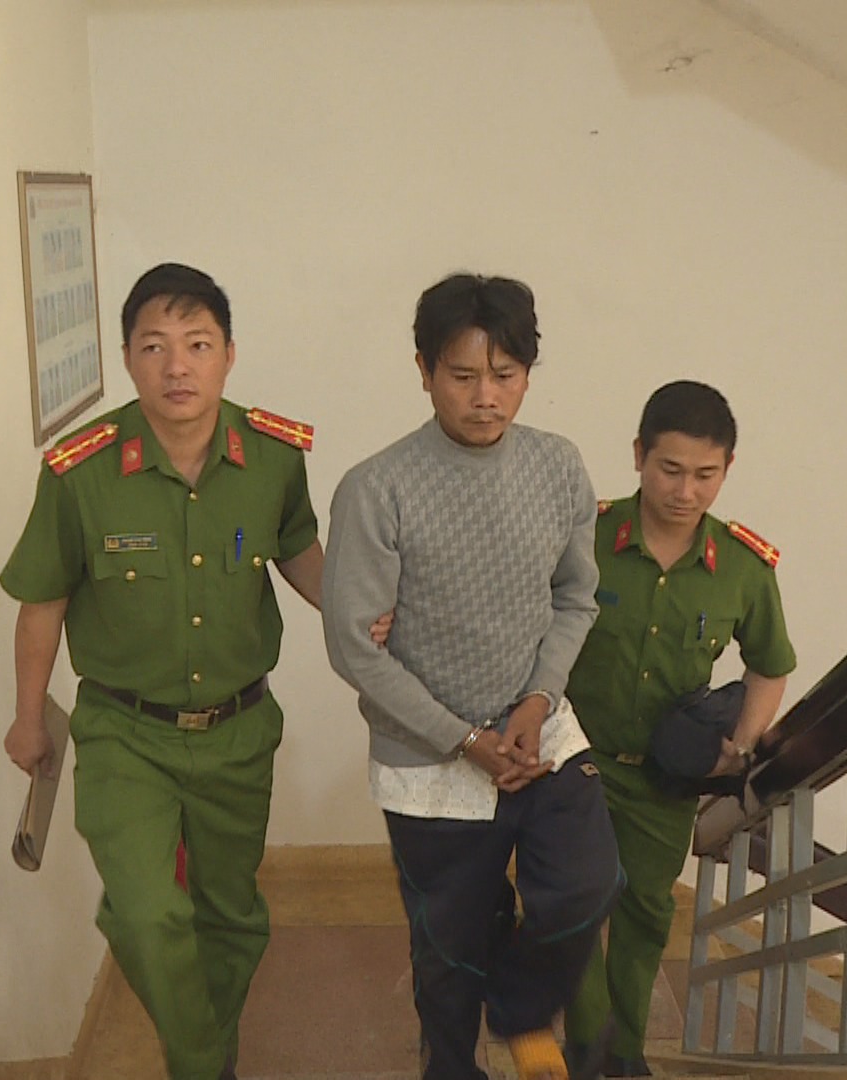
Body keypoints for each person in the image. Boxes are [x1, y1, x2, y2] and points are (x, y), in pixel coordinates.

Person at [0, 263, 324, 1080]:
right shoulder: (80, 471)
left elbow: (299, 553)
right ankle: (204, 1066)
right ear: (127, 358)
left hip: (239, 730)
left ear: (228, 355)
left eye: (197, 345)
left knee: (231, 919)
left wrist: (370, 617)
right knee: (145, 915)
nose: (177, 366)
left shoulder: (275, 458)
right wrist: (28, 717)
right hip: (124, 732)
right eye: (154, 347)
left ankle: (205, 1062)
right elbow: (42, 600)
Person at [322, 272, 622, 1080]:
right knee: (449, 955)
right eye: (462, 375)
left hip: (539, 731)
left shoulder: (558, 465)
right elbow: (354, 647)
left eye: (505, 374)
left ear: (527, 373)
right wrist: (464, 740)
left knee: (588, 885)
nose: (486, 397)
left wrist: (537, 699)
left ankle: (519, 1008)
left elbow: (576, 596)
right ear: (423, 370)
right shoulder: (376, 489)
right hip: (431, 760)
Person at [561, 380, 796, 1077]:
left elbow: (769, 666)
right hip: (573, 762)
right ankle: (587, 1050)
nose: (685, 491)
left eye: (705, 475)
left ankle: (624, 1055)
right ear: (639, 455)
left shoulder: (742, 569)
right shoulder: (583, 537)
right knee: (572, 906)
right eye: (670, 470)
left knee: (643, 917)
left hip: (663, 782)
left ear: (727, 469)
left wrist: (740, 745)